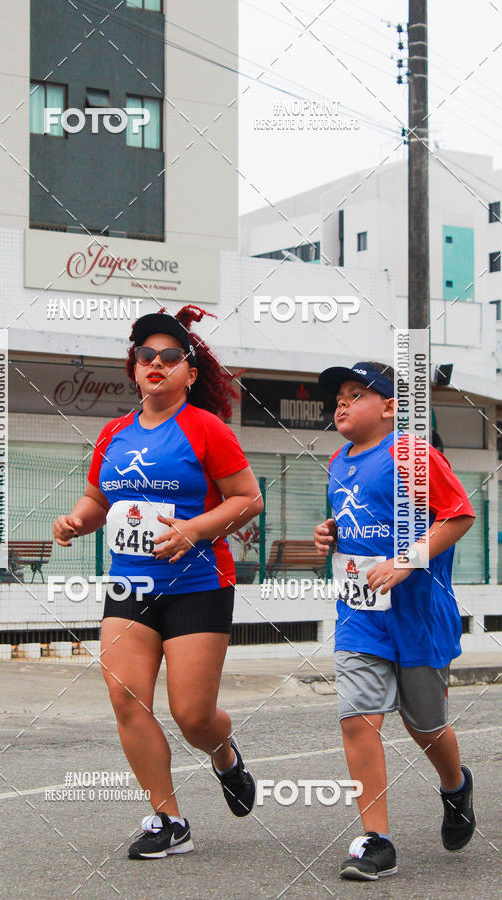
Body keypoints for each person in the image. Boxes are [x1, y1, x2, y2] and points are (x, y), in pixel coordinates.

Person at [53, 305, 263, 859]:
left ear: (189, 373)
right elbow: (100, 499)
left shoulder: (206, 429)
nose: (157, 363)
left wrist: (194, 530)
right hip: (129, 588)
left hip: (198, 586)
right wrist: (76, 519)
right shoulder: (114, 433)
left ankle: (224, 754)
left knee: (192, 714)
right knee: (126, 697)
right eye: (147, 354)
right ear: (135, 366)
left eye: (171, 356)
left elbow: (248, 500)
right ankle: (167, 819)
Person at [313, 361, 476, 881]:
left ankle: (455, 787)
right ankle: (375, 840)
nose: (341, 403)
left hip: (419, 614)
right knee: (358, 717)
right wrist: (332, 533)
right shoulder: (338, 462)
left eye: (356, 393)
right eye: (338, 395)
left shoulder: (410, 453)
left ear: (389, 407)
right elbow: (364, 519)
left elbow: (458, 514)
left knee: (424, 724)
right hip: (360, 614)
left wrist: (408, 560)